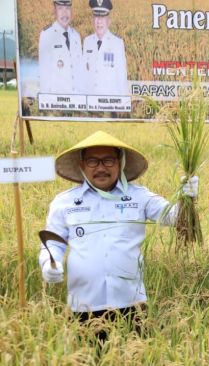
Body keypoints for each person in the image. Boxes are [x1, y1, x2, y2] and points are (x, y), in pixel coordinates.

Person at [39, 131, 199, 340]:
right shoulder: (65, 202)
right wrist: (49, 263)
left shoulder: (139, 196)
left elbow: (175, 218)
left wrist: (187, 198)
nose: (101, 167)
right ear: (82, 165)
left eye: (108, 160)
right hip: (83, 306)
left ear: (120, 163)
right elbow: (53, 243)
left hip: (131, 305)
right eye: (93, 161)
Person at [83, 0, 129, 96]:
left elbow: (121, 78)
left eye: (103, 17)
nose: (99, 21)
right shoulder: (87, 41)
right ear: (92, 20)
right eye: (96, 16)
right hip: (90, 104)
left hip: (109, 104)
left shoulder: (117, 43)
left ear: (109, 21)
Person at [38, 0, 84, 94]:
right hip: (57, 101)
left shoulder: (76, 36)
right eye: (60, 8)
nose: (64, 13)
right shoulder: (47, 34)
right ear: (54, 10)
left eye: (67, 8)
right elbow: (44, 73)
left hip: (76, 100)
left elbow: (79, 71)